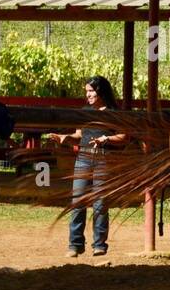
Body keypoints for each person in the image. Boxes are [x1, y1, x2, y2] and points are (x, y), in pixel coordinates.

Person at [44, 76, 126, 258]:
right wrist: (65, 137)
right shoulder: (85, 112)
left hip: (103, 159)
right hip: (83, 158)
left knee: (100, 203)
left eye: (91, 91)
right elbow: (79, 134)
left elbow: (123, 137)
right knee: (77, 202)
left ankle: (99, 245)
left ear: (101, 92)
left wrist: (106, 139)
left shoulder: (114, 113)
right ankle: (75, 245)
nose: (88, 95)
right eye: (86, 91)